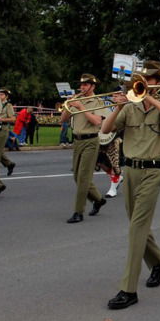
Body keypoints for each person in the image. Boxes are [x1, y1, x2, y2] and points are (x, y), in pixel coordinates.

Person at [102, 60, 160, 310]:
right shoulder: (129, 107)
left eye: (151, 79)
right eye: (144, 80)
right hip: (130, 171)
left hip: (152, 172)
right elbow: (105, 128)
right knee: (137, 223)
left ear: (159, 83)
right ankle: (158, 263)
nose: (145, 83)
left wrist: (149, 98)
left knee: (136, 228)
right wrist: (117, 106)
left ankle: (128, 289)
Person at [60, 73, 108, 223]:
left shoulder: (98, 101)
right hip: (78, 141)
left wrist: (81, 106)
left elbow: (96, 122)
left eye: (86, 85)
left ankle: (78, 212)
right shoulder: (76, 100)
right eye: (81, 85)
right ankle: (98, 199)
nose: (82, 87)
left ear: (93, 86)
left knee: (83, 178)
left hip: (91, 141)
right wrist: (69, 105)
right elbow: (63, 120)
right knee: (77, 177)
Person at [0, 88, 16, 176]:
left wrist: (2, 119)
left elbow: (13, 119)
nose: (0, 96)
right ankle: (9, 164)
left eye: (2, 94)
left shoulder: (8, 105)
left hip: (3, 129)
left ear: (6, 96)